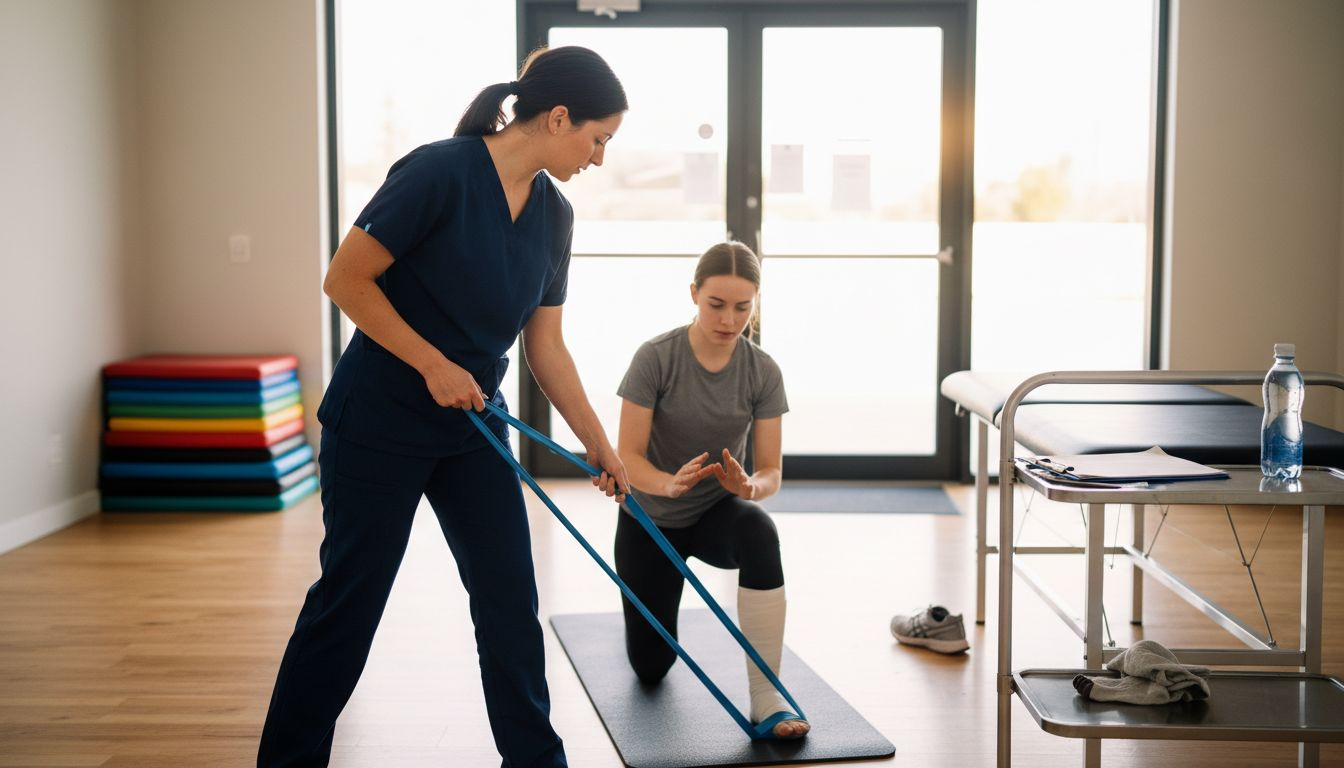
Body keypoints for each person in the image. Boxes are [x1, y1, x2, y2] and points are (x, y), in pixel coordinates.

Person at [257, 46, 630, 768]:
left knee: (509, 604)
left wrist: (597, 442)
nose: (600, 158)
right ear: (558, 118)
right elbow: (346, 279)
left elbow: (545, 347)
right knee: (348, 609)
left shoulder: (554, 217)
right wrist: (431, 362)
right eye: (597, 139)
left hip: (472, 431)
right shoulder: (439, 171)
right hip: (379, 423)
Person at [613, 242, 808, 739]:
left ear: (756, 304)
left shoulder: (762, 371)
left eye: (743, 307)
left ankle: (768, 700)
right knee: (652, 667)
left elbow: (771, 471)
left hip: (715, 513)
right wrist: (667, 483)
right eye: (716, 305)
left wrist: (749, 486)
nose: (729, 319)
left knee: (760, 531)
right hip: (650, 518)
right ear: (694, 294)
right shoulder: (655, 358)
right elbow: (628, 457)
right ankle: (649, 623)